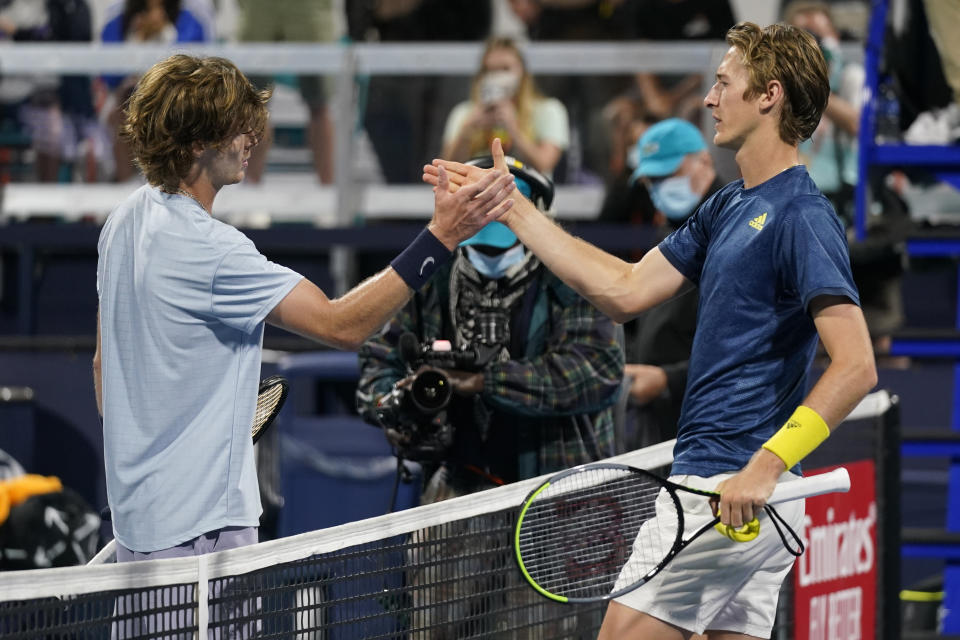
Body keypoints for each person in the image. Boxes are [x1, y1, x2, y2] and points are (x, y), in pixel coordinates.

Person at [424, 21, 877, 639]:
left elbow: (855, 366)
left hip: (727, 491)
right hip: (738, 498)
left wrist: (767, 465)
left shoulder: (802, 216)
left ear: (768, 95)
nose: (710, 98)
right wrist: (514, 208)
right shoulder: (727, 205)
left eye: (724, 82)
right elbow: (625, 291)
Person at [93, 54, 516, 564]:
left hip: (140, 524)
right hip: (200, 538)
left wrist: (180, 435)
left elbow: (106, 374)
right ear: (199, 142)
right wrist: (441, 237)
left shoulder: (124, 220)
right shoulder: (213, 251)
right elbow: (343, 325)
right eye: (237, 128)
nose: (251, 138)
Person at [356, 156, 623, 636]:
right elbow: (377, 362)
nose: (489, 231)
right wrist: (398, 405)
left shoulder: (572, 277)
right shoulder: (429, 277)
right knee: (435, 628)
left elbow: (598, 371)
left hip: (560, 502)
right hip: (456, 494)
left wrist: (486, 381)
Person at [619, 118, 723, 452]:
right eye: (652, 180)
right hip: (664, 424)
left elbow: (745, 346)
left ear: (704, 161)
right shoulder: (674, 231)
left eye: (668, 176)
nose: (659, 188)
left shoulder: (733, 229)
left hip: (713, 426)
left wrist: (669, 379)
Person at [100, 0, 214, 182]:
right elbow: (109, 74)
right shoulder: (119, 16)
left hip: (177, 98)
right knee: (123, 113)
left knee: (173, 113)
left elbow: (194, 66)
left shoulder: (191, 15)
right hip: (131, 98)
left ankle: (170, 185)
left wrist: (164, 32)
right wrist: (139, 38)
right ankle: (126, 186)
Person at [237, 0, 336, 184]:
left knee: (319, 101)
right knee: (254, 103)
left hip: (307, 7)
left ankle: (328, 195)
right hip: (259, 7)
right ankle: (250, 192)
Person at [441, 37, 570, 177]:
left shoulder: (549, 110)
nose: (497, 76)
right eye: (489, 70)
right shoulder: (464, 113)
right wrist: (468, 129)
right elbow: (447, 168)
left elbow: (544, 164)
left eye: (505, 68)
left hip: (527, 195)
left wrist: (514, 129)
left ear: (523, 73)